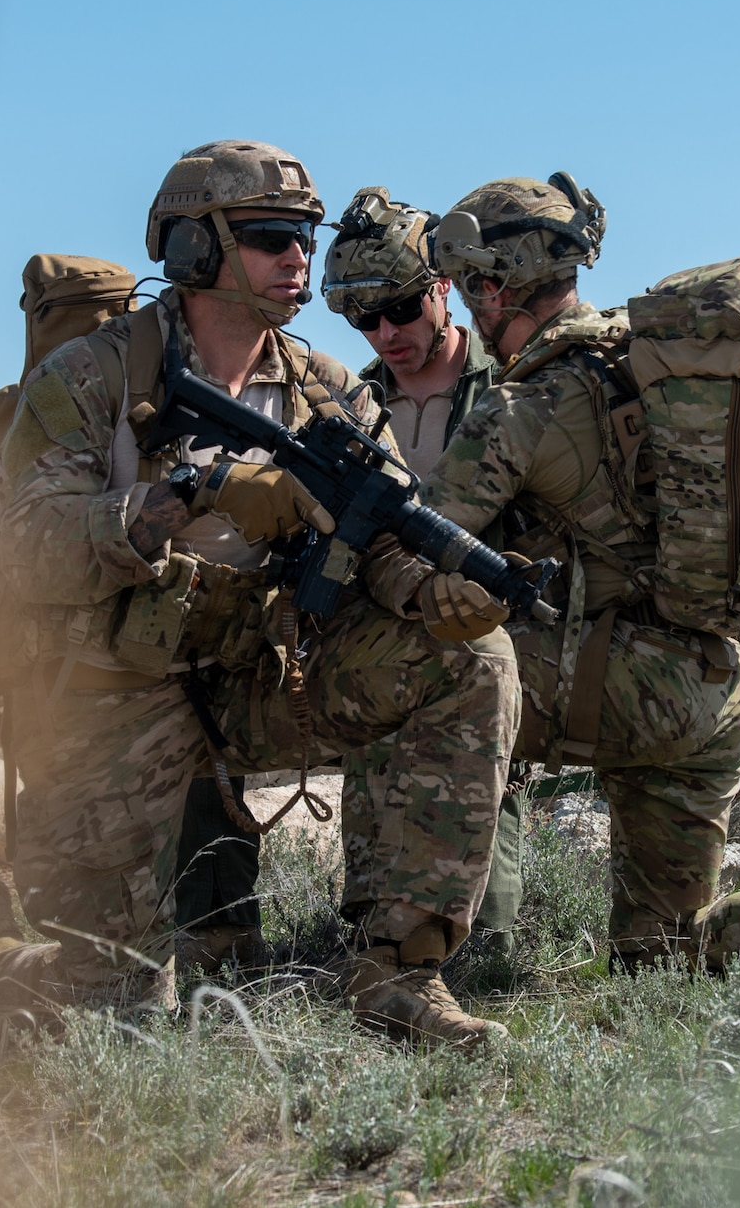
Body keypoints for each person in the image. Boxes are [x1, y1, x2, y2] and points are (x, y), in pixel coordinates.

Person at [0, 140, 520, 1045]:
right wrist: (193, 493)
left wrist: (432, 596)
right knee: (115, 1007)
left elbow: (379, 533)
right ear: (195, 250)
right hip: (110, 696)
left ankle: (396, 973)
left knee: (470, 662)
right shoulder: (91, 379)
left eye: (303, 236)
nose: (297, 258)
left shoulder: (328, 391)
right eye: (270, 236)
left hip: (254, 679)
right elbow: (26, 547)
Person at [381, 172, 740, 969]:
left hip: (607, 689)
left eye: (476, 288)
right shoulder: (657, 366)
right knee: (659, 956)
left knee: (420, 671)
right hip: (714, 692)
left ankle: (398, 955)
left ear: (497, 284)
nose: (475, 310)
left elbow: (419, 543)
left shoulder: (522, 407)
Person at [317, 189, 521, 952]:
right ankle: (385, 939)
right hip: (386, 620)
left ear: (443, 286)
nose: (385, 332)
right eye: (361, 317)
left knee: (489, 948)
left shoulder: (514, 384)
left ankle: (464, 937)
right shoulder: (347, 403)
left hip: (495, 617)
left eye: (400, 307)